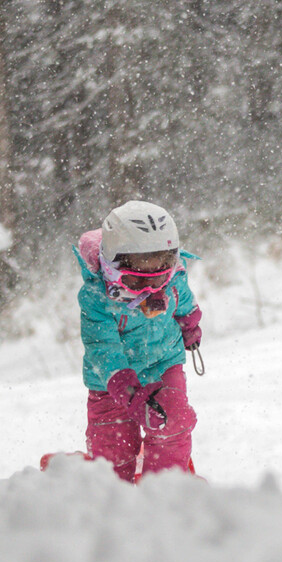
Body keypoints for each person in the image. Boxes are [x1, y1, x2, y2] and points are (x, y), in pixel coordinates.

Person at [75, 200, 203, 482]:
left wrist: (189, 323)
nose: (151, 290)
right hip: (111, 380)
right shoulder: (97, 297)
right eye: (136, 282)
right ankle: (112, 490)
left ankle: (165, 482)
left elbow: (183, 300)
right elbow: (102, 348)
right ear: (112, 267)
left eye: (159, 278)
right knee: (113, 444)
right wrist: (128, 393)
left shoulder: (174, 276)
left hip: (163, 363)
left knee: (173, 421)